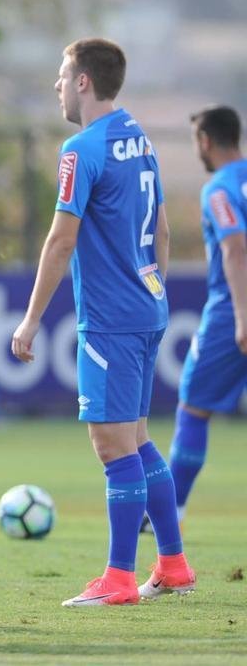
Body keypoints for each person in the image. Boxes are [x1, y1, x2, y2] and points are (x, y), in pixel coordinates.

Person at [11, 38, 194, 606]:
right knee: (137, 442)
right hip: (147, 306)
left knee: (112, 448)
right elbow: (162, 230)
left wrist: (31, 320)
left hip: (112, 319)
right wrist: (154, 289)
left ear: (84, 81)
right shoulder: (139, 138)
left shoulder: (80, 148)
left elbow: (61, 239)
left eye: (63, 76)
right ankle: (173, 565)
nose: (58, 87)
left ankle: (118, 580)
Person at [161, 105, 247, 548]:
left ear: (206, 141)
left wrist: (242, 316)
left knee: (193, 406)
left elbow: (235, 249)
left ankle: (169, 512)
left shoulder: (219, 189)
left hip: (232, 309)